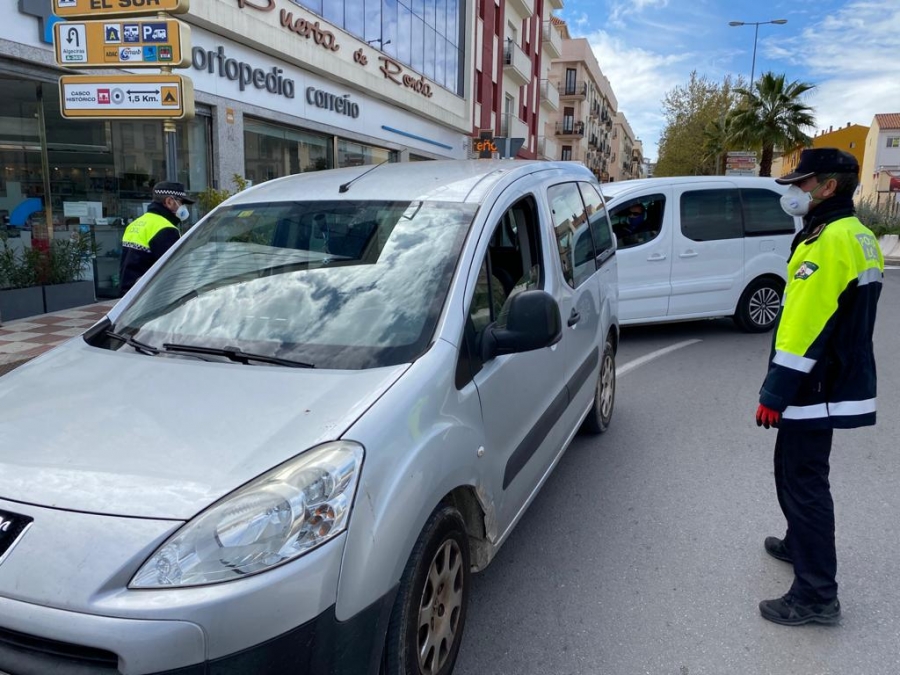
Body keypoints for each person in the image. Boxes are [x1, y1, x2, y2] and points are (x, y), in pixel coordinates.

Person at [755, 148, 884, 626]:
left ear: (829, 187)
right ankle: (799, 543)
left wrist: (775, 393)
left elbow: (807, 323)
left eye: (804, 183)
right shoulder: (858, 234)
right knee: (798, 472)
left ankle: (816, 595)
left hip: (813, 383)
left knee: (802, 480)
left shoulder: (828, 241)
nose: (796, 192)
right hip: (831, 374)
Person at [119, 181, 194, 294]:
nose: (183, 207)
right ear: (169, 201)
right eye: (181, 202)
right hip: (149, 296)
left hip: (129, 294)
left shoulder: (135, 224)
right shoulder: (166, 229)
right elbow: (173, 272)